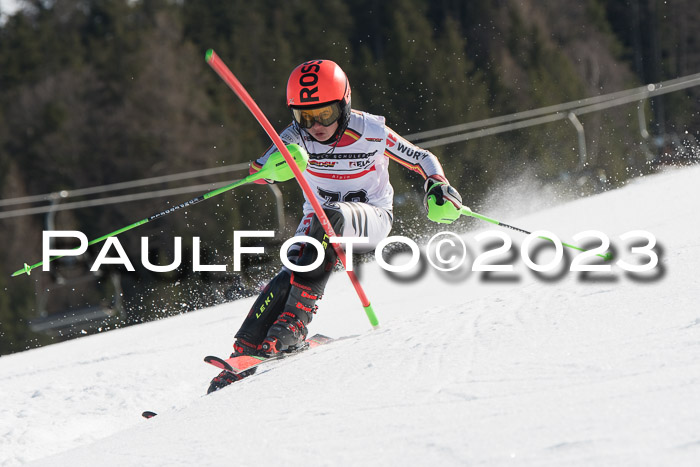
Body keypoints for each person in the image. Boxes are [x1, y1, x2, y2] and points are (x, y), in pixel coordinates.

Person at [208, 59, 463, 393]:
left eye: (325, 114)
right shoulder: (294, 136)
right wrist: (276, 166)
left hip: (371, 218)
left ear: (344, 104)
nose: (316, 125)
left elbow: (421, 157)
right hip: (318, 223)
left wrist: (437, 184)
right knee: (290, 273)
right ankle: (243, 352)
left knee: (334, 216)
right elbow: (260, 170)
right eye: (305, 116)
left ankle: (296, 320)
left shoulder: (371, 131)